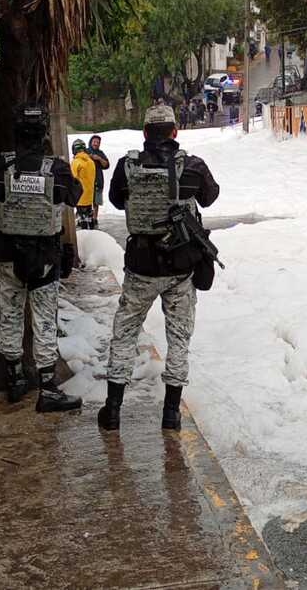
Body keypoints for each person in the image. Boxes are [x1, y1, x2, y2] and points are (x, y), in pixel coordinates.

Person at [98, 105, 219, 431]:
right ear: (174, 132)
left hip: (141, 266)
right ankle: (171, 413)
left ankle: (112, 410)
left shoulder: (127, 166)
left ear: (145, 132)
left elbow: (116, 200)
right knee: (179, 339)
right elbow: (210, 197)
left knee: (124, 334)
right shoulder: (192, 166)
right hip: (180, 268)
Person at [0, 104, 83, 413]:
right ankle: (47, 388)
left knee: (10, 316)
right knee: (44, 321)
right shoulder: (56, 169)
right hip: (44, 258)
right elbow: (75, 195)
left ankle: (15, 379)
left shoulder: (0, 166)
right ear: (44, 133)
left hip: (7, 257)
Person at [70, 138, 97, 230]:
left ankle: (84, 231)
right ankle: (92, 231)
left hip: (79, 196)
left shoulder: (76, 162)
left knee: (82, 219)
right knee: (89, 216)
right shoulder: (91, 161)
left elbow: (72, 179)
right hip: (89, 196)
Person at [88, 135, 110, 226]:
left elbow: (107, 165)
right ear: (91, 142)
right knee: (86, 200)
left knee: (96, 201)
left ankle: (95, 219)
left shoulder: (101, 153)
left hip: (98, 180)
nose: (96, 144)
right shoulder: (86, 151)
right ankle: (86, 218)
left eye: (98, 142)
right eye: (94, 142)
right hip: (87, 180)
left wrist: (99, 158)